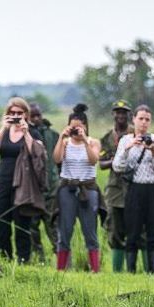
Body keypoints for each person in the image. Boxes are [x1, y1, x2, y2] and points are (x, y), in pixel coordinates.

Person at [0, 97, 47, 263]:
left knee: (22, 224)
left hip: (23, 184)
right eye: (12, 113)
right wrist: (4, 128)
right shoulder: (3, 131)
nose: (15, 116)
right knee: (1, 222)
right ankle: (4, 258)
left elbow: (36, 152)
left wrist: (25, 131)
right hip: (3, 181)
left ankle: (23, 260)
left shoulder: (33, 132)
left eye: (19, 113)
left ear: (26, 114)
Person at [113, 105, 154, 274]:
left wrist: (153, 152)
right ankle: (131, 271)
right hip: (134, 190)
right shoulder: (125, 140)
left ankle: (152, 270)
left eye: (147, 119)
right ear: (134, 120)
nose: (144, 123)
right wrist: (128, 147)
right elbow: (117, 166)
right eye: (141, 119)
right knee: (133, 231)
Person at [53, 104, 103, 272]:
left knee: (90, 230)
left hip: (88, 189)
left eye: (79, 127)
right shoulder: (65, 143)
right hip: (68, 188)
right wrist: (61, 138)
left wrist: (84, 141)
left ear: (85, 127)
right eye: (73, 127)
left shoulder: (93, 142)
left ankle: (95, 270)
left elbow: (93, 160)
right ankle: (61, 270)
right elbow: (57, 159)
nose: (76, 130)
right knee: (65, 230)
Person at [99, 99, 135, 272]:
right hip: (114, 188)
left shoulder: (135, 134)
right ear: (113, 114)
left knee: (135, 228)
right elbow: (101, 163)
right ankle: (117, 270)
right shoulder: (107, 138)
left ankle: (133, 268)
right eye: (118, 112)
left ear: (129, 114)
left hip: (134, 184)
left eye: (124, 112)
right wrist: (114, 161)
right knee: (115, 228)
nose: (121, 115)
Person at [27, 103, 60, 261]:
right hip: (32, 189)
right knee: (32, 227)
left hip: (51, 186)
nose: (36, 119)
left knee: (52, 224)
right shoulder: (25, 134)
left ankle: (61, 257)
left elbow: (59, 161)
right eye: (32, 116)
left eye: (38, 115)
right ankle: (38, 258)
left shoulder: (53, 135)